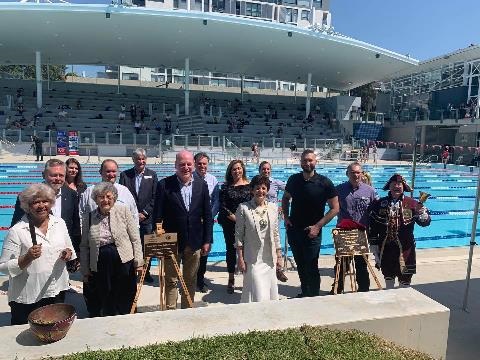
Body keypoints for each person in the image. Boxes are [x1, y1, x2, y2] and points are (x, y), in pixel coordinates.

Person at [0, 184, 75, 325]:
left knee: (55, 330)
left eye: (45, 201)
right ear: (28, 206)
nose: (41, 205)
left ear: (51, 203)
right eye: (36, 202)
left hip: (56, 289)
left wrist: (68, 253)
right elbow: (3, 267)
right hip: (29, 295)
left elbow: (68, 248)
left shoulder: (59, 223)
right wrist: (27, 257)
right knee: (26, 334)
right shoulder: (17, 231)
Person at [153, 150, 213, 309]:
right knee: (171, 280)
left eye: (188, 164)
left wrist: (207, 240)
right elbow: (157, 215)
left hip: (194, 241)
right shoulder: (164, 185)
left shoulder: (202, 185)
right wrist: (159, 238)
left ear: (193, 165)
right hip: (171, 240)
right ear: (175, 166)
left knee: (191, 279)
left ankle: (187, 310)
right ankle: (171, 311)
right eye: (182, 164)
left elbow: (207, 215)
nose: (185, 167)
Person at [80, 182, 144, 317]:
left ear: (114, 197)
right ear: (95, 199)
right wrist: (85, 270)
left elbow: (135, 238)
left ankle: (127, 318)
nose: (105, 200)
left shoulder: (123, 210)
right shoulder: (89, 216)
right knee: (106, 293)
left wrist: (139, 261)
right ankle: (109, 320)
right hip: (100, 261)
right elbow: (84, 245)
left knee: (125, 292)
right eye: (101, 197)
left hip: (123, 258)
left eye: (108, 196)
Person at [282, 149, 339, 297]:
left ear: (315, 162)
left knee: (311, 266)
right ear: (300, 162)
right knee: (300, 265)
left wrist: (318, 226)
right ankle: (304, 292)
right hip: (294, 230)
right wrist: (286, 217)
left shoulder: (325, 182)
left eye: (310, 160)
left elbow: (335, 208)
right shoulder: (293, 180)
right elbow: (285, 198)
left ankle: (313, 297)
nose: (307, 163)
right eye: (304, 160)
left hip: (313, 232)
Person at [368, 174, 431, 289]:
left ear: (403, 187)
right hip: (386, 248)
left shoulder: (413, 203)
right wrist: (373, 245)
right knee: (388, 277)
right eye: (394, 184)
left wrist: (423, 215)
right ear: (389, 186)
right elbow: (373, 225)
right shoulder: (379, 204)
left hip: (406, 249)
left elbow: (424, 223)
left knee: (405, 280)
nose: (397, 186)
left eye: (399, 184)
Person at [11, 159, 81, 258]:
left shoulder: (71, 194)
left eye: (61, 175)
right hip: (36, 252)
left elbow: (75, 225)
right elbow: (16, 224)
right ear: (43, 175)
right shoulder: (28, 196)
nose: (58, 178)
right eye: (53, 175)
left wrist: (76, 251)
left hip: (62, 254)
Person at [330, 162, 377, 294]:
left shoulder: (370, 191)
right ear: (347, 174)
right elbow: (331, 206)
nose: (355, 175)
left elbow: (376, 211)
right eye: (352, 172)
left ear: (362, 174)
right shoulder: (339, 189)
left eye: (358, 172)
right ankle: (337, 290)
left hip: (361, 234)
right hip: (344, 234)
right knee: (341, 265)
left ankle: (363, 290)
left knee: (361, 265)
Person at [236, 175, 283, 303]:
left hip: (269, 257)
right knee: (257, 291)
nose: (260, 191)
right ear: (252, 190)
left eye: (263, 188)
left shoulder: (273, 208)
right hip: (253, 259)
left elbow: (275, 233)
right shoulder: (243, 208)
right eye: (257, 188)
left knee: (269, 291)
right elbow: (239, 236)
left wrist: (279, 256)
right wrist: (240, 258)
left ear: (267, 190)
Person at [119, 148, 158, 283]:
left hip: (147, 219)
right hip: (129, 218)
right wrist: (133, 214)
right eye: (138, 159)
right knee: (129, 246)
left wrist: (145, 213)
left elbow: (155, 197)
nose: (141, 161)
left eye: (143, 159)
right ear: (133, 160)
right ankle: (131, 273)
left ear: (146, 160)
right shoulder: (125, 175)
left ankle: (146, 273)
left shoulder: (152, 175)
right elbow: (121, 196)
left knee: (147, 247)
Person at [218, 160, 251, 294]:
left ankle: (247, 278)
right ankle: (231, 278)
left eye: (239, 168)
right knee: (231, 251)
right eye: (234, 169)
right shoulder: (226, 187)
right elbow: (222, 205)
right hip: (230, 222)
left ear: (242, 169)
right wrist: (233, 217)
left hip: (247, 223)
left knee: (247, 251)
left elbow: (253, 203)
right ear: (230, 172)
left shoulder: (250, 186)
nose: (237, 171)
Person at [79, 159, 138, 226]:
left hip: (120, 234)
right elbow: (81, 213)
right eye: (108, 171)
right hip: (96, 233)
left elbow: (134, 214)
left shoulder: (125, 191)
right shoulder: (89, 191)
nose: (111, 174)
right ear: (100, 172)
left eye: (114, 171)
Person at [193, 152, 220, 293]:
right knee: (191, 251)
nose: (202, 166)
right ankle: (190, 280)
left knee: (205, 251)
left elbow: (216, 201)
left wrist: (209, 216)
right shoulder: (189, 178)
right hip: (193, 222)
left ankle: (200, 280)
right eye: (199, 163)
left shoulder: (213, 180)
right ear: (195, 164)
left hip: (207, 222)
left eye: (204, 163)